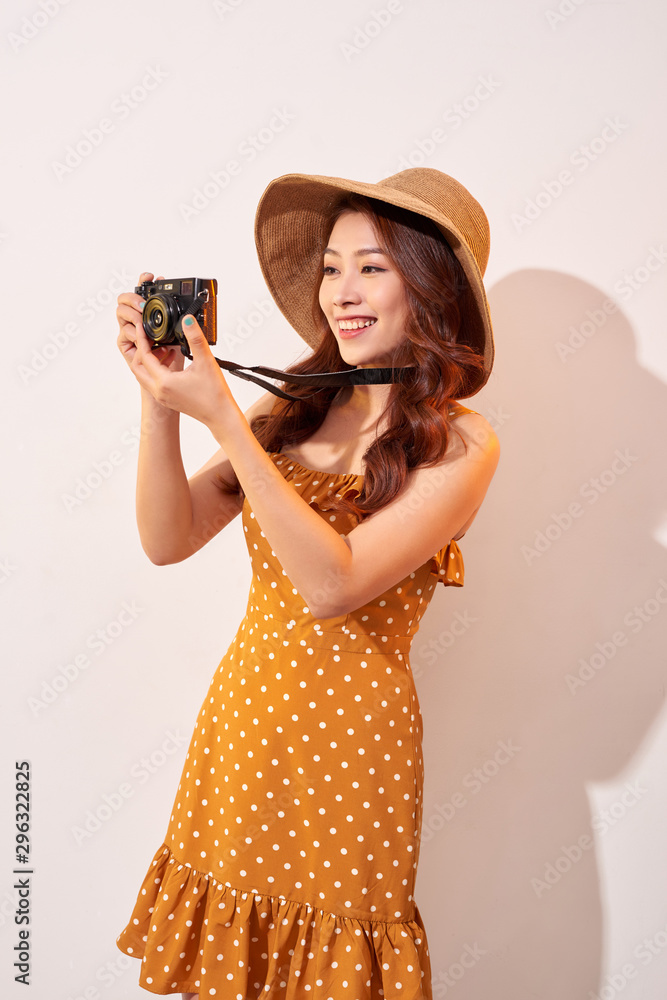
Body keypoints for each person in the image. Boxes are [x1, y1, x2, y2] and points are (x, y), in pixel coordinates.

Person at [114, 168, 500, 1000]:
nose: (340, 291)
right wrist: (161, 400)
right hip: (245, 731)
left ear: (429, 287)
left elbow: (334, 584)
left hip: (354, 758)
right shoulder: (290, 408)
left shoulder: (463, 444)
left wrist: (221, 415)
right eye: (330, 267)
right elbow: (166, 538)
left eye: (372, 267)